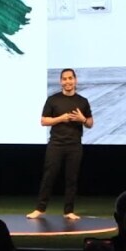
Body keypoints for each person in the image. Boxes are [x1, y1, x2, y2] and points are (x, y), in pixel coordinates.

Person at [28, 68, 93, 220]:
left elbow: (90, 123)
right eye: (64, 79)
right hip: (56, 144)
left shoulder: (82, 101)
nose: (67, 81)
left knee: (71, 178)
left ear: (75, 80)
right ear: (60, 81)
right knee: (49, 176)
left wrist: (82, 119)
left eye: (70, 78)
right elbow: (43, 121)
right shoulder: (53, 100)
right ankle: (40, 209)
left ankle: (69, 211)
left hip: (74, 145)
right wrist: (60, 118)